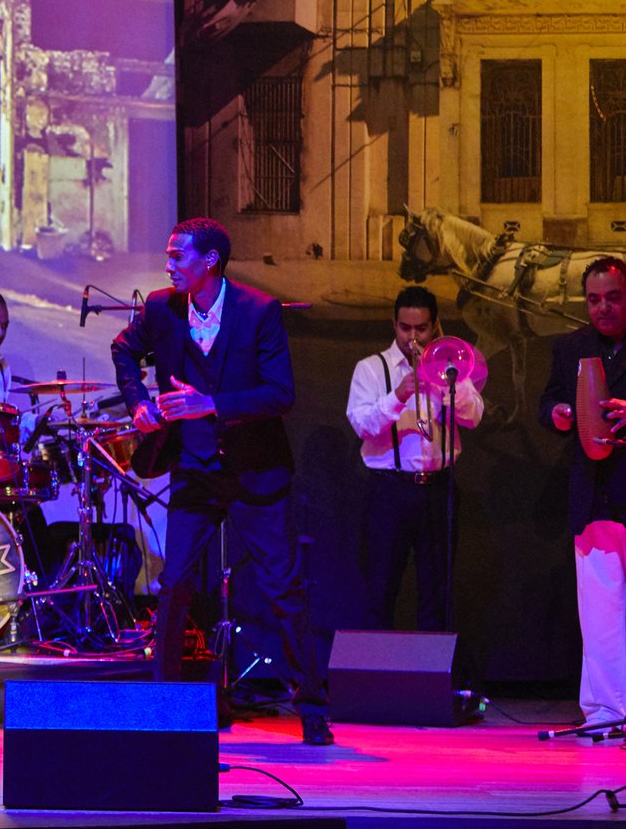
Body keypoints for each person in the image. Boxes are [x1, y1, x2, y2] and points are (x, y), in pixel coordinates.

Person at [110, 217, 333, 745]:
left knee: (283, 588)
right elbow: (124, 351)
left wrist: (210, 404)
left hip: (256, 471)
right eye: (168, 255)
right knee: (175, 584)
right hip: (195, 467)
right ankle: (165, 704)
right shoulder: (161, 308)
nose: (168, 265)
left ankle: (311, 708)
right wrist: (138, 402)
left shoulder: (258, 310)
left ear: (209, 261)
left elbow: (280, 393)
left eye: (178, 256)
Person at [346, 286, 482, 631]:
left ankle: (430, 665)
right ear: (394, 324)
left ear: (434, 326)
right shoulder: (371, 368)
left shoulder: (449, 367)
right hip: (389, 490)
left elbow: (473, 417)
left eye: (421, 329)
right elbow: (362, 425)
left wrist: (448, 387)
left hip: (438, 490)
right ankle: (377, 665)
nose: (412, 338)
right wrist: (398, 394)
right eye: (405, 328)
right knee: (380, 589)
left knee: (436, 594)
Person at [538, 255, 626, 731]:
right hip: (593, 492)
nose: (602, 308)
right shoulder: (571, 347)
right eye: (594, 300)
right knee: (599, 612)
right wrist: (557, 414)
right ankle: (608, 711)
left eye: (613, 298)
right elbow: (548, 400)